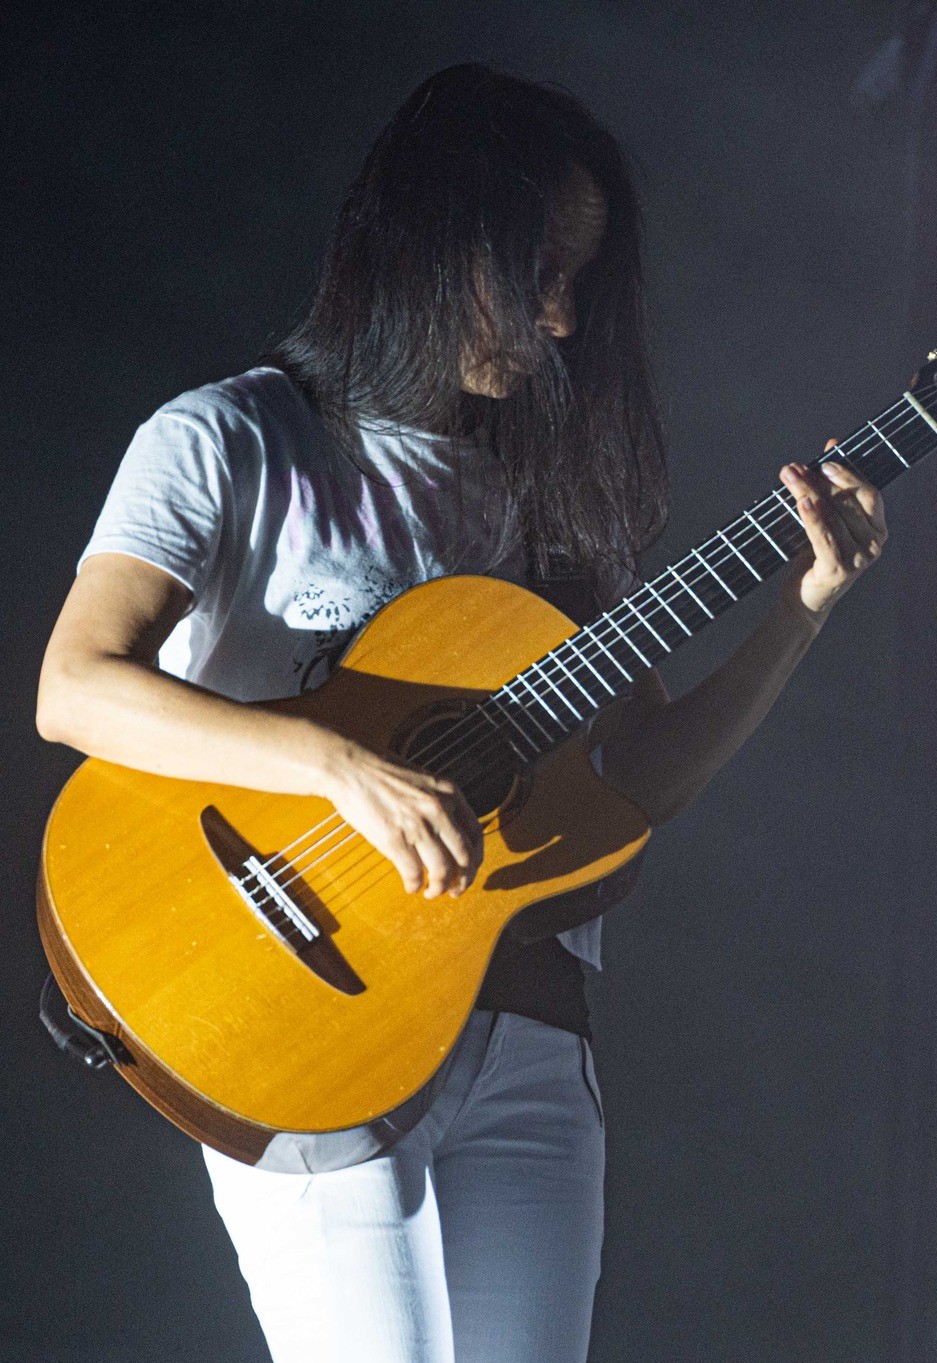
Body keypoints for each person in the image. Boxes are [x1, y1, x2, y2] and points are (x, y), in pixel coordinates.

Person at [35, 65, 886, 1363]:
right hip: (310, 1016)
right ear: (432, 239)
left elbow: (642, 777)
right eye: (535, 266)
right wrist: (339, 767)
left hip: (534, 1032)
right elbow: (75, 685)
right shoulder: (233, 438)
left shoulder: (548, 507)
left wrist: (805, 605)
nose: (557, 316)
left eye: (578, 283)